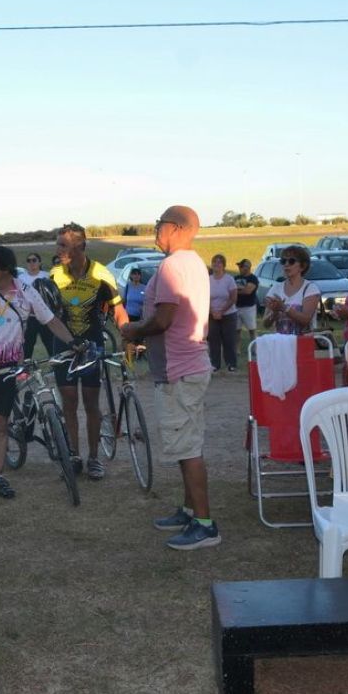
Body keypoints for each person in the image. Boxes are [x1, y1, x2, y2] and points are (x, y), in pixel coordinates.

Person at [121, 206, 218, 550]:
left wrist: (134, 330)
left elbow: (163, 319)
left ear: (175, 227)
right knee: (183, 444)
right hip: (184, 366)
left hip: (180, 369)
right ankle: (191, 510)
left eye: (158, 225)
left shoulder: (173, 265)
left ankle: (205, 524)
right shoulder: (191, 262)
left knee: (188, 447)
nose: (154, 232)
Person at [0, 245, 76, 499]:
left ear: (5, 269)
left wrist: (73, 342)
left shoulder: (25, 292)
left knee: (0, 423)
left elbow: (51, 321)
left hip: (9, 367)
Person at [50, 222, 130, 481]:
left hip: (92, 344)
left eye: (63, 244)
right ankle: (74, 455)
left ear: (80, 246)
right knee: (69, 401)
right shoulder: (54, 275)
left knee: (91, 403)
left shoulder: (101, 274)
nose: (58, 249)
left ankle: (94, 457)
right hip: (63, 345)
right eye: (58, 243)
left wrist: (127, 337)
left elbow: (118, 310)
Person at [262, 245, 321, 335]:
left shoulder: (310, 288)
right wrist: (274, 313)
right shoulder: (275, 288)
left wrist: (284, 308)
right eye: (283, 261)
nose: (286, 264)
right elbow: (265, 324)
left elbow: (306, 320)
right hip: (280, 343)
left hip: (303, 344)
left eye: (291, 261)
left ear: (303, 266)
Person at [19, 252, 54, 360]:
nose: (31, 263)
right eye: (29, 261)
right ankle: (25, 370)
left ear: (39, 262)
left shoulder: (47, 276)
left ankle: (56, 367)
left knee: (50, 343)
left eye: (34, 260)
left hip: (45, 316)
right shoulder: (21, 278)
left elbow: (53, 295)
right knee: (27, 344)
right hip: (29, 317)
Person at [207, 254, 239, 372]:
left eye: (219, 262)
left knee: (229, 340)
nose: (216, 264)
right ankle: (215, 364)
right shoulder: (208, 280)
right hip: (212, 314)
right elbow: (205, 298)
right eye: (214, 262)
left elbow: (233, 298)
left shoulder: (229, 279)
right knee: (213, 340)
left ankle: (231, 364)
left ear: (224, 265)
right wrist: (212, 312)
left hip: (228, 314)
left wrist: (221, 311)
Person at [233, 258, 260, 351]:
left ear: (247, 267)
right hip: (236, 307)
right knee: (237, 330)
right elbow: (230, 290)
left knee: (252, 330)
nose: (239, 268)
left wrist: (236, 290)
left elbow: (248, 291)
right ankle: (237, 350)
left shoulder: (253, 278)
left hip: (249, 308)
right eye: (239, 266)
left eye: (241, 266)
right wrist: (240, 289)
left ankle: (255, 349)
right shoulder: (235, 278)